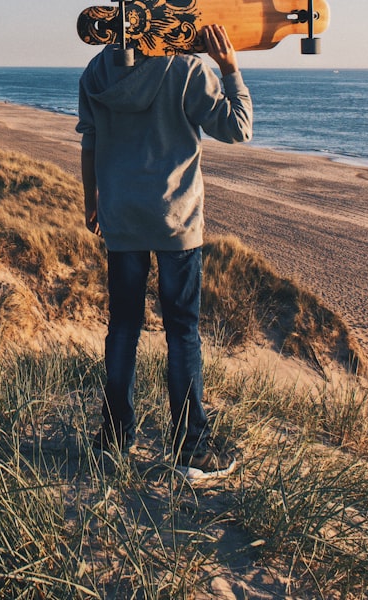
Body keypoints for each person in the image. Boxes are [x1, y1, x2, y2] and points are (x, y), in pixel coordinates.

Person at [77, 25, 253, 480]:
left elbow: (90, 139)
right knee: (182, 332)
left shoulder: (98, 70)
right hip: (175, 220)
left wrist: (90, 199)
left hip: (122, 216)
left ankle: (114, 441)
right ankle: (191, 449)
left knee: (123, 328)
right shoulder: (189, 69)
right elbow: (238, 128)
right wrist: (230, 68)